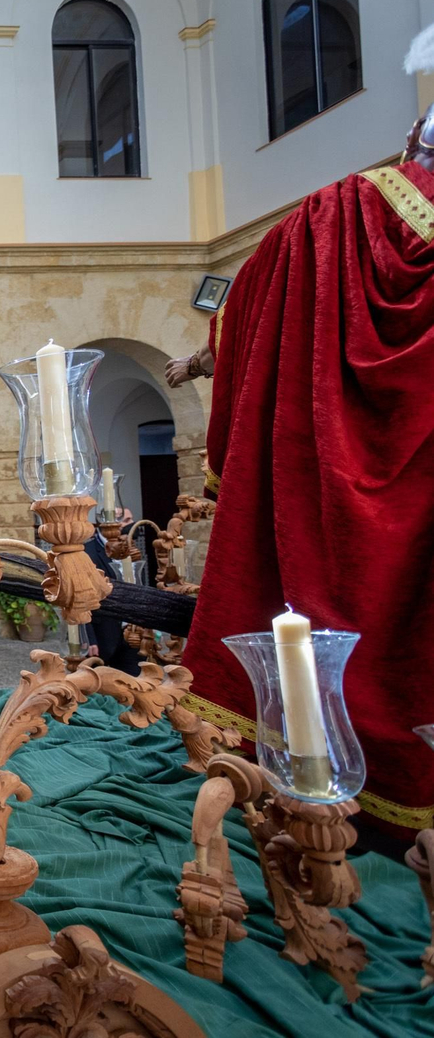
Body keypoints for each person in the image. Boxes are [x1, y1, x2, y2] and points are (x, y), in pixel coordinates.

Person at [170, 89, 434, 836]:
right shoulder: (335, 215)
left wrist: (205, 360)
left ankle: (314, 781)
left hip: (320, 501)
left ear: (414, 139)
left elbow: (252, 299)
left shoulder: (335, 216)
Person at [81, 508, 139, 674]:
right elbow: (82, 597)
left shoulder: (130, 549)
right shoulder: (87, 552)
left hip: (132, 632)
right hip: (103, 633)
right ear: (112, 525)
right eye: (127, 521)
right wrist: (88, 637)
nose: (133, 525)